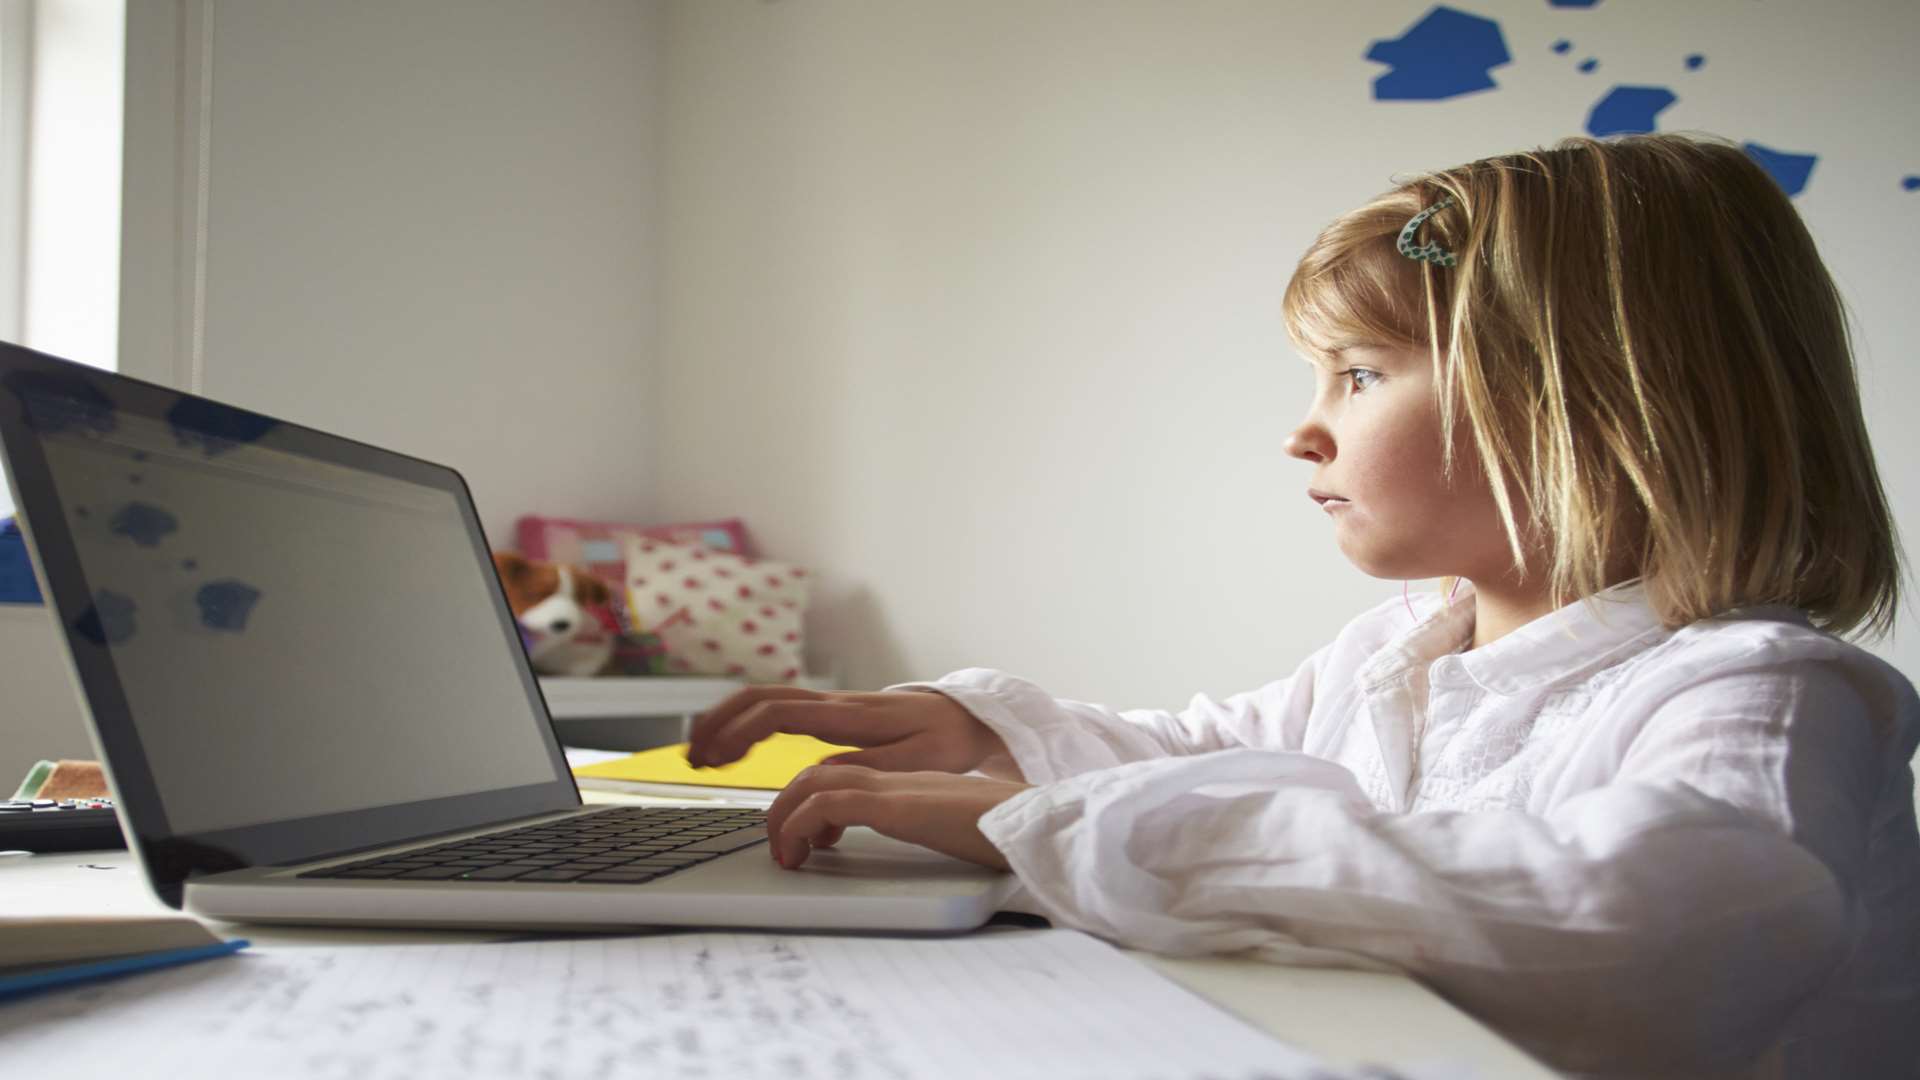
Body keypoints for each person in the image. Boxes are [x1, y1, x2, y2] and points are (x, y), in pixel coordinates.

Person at [683, 133, 1920, 1079]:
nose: (1303, 429)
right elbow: (1211, 753)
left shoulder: (1757, 686)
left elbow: (1664, 932)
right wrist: (986, 737)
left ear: (1581, 405)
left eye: (1361, 374)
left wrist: (1057, 821)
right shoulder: (1404, 653)